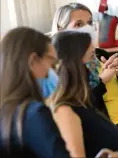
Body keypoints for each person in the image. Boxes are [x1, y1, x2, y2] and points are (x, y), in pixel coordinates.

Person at [0, 27, 70, 158]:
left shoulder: (7, 111)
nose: (55, 73)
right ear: (33, 61)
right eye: (52, 64)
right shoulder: (34, 114)